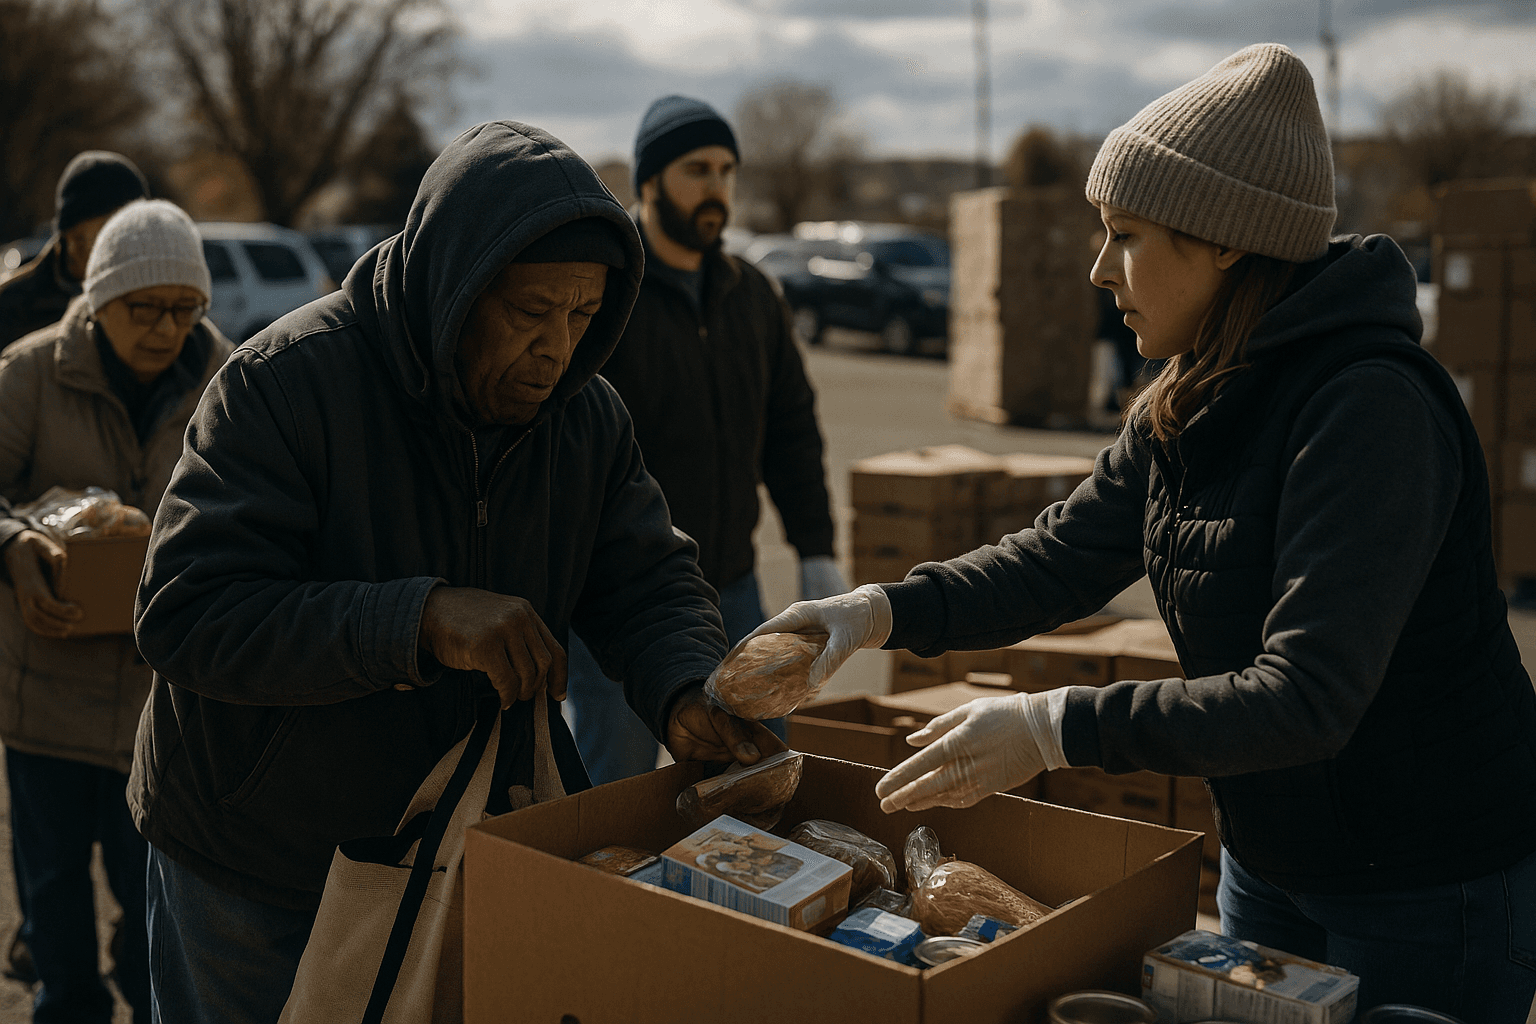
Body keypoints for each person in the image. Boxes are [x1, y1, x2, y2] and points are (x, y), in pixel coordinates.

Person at [751, 44, 1536, 1021]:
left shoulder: (1370, 411)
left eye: (1125, 234)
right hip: (1270, 851)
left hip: (1426, 879)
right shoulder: (1194, 391)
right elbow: (1062, 556)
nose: (1097, 268)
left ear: (1225, 242)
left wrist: (1051, 727)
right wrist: (875, 612)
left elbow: (1308, 695)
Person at [128, 121, 782, 1024]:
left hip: (441, 849)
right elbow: (186, 613)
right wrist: (420, 620)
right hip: (258, 861)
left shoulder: (585, 419)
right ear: (454, 286)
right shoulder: (281, 384)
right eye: (528, 312)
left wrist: (685, 690)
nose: (556, 349)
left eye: (583, 315)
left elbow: (648, 582)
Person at [562, 95, 845, 784]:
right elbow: (566, 452)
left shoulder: (753, 296)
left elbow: (790, 430)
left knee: (760, 779)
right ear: (650, 181)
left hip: (735, 590)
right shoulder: (606, 298)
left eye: (726, 169)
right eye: (697, 169)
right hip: (619, 603)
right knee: (617, 792)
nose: (717, 186)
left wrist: (815, 548)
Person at [0, 198, 231, 1024]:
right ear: (101, 301)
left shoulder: (232, 384)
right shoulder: (28, 373)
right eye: (146, 308)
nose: (167, 328)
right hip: (45, 700)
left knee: (155, 921)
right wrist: (14, 545)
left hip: (161, 711)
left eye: (185, 308)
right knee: (54, 903)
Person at [0, 151, 152, 351]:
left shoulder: (160, 302)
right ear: (71, 237)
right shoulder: (11, 307)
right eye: (110, 235)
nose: (125, 247)